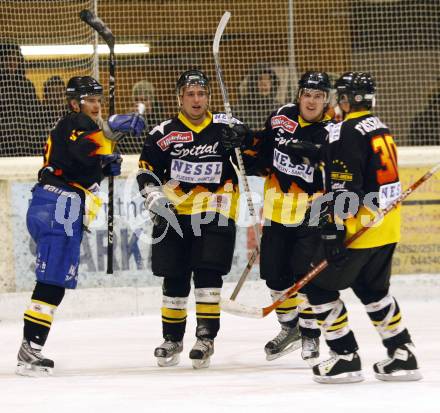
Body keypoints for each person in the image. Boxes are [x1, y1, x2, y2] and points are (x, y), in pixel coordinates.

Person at [16, 76, 145, 376]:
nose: (97, 105)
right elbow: (83, 148)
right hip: (56, 204)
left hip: (59, 205)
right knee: (50, 282)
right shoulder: (73, 122)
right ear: (75, 103)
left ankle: (31, 347)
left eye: (99, 100)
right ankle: (28, 350)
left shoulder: (80, 127)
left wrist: (102, 168)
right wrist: (111, 130)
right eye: (91, 100)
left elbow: (82, 164)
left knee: (55, 282)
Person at [306, 72, 422, 383]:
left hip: (361, 229)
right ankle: (402, 353)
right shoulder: (379, 126)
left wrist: (331, 231)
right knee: (373, 290)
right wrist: (316, 153)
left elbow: (345, 189)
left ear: (345, 98)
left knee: (317, 287)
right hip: (387, 226)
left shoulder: (344, 131)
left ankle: (344, 356)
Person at [137, 69, 250, 369]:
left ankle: (205, 337)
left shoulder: (227, 126)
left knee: (207, 274)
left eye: (201, 94)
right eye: (190, 94)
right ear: (179, 99)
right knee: (173, 275)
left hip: (217, 208)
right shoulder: (163, 134)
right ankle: (172, 338)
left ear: (209, 97)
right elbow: (146, 172)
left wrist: (244, 140)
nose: (197, 100)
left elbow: (256, 156)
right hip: (175, 213)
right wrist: (155, 199)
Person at [248, 71, 332, 365]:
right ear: (299, 95)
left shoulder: (333, 131)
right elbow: (262, 151)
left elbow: (342, 170)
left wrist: (319, 154)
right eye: (307, 95)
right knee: (274, 275)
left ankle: (310, 334)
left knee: (304, 276)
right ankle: (290, 328)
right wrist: (242, 142)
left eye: (318, 96)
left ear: (326, 100)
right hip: (276, 210)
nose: (311, 101)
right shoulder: (281, 116)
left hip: (312, 213)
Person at [0, 42, 42, 156]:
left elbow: (36, 112)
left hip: (26, 140)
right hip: (3, 140)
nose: (12, 63)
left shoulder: (26, 85)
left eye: (15, 59)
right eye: (8, 59)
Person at [236, 63, 280, 130]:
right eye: (260, 79)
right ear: (253, 83)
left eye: (268, 79)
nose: (264, 83)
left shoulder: (278, 109)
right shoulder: (240, 108)